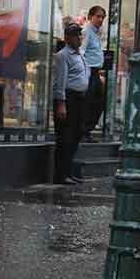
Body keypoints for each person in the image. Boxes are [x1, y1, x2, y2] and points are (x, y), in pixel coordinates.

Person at [53, 23, 89, 185]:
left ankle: (68, 171)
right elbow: (60, 81)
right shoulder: (62, 56)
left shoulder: (79, 54)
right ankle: (60, 175)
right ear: (67, 38)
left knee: (76, 134)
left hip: (80, 99)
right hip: (68, 99)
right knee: (65, 138)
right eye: (76, 35)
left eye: (80, 35)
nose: (79, 38)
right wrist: (61, 103)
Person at [82, 5, 107, 141]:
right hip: (88, 71)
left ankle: (87, 129)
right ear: (90, 16)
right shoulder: (87, 30)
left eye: (102, 17)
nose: (100, 19)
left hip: (95, 71)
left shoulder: (96, 32)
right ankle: (83, 131)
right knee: (89, 101)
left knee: (99, 101)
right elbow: (81, 51)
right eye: (98, 16)